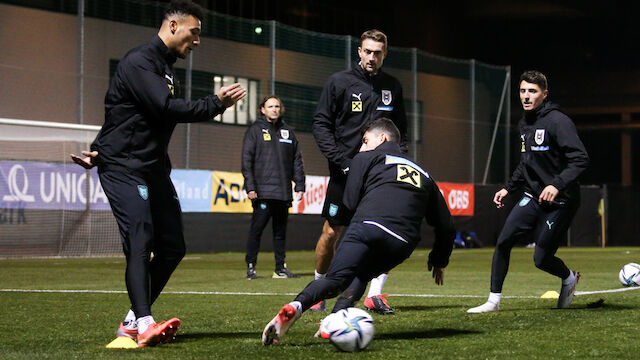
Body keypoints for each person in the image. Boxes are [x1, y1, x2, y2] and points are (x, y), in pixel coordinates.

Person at [70, 0, 246, 347]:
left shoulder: (165, 67)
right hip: (124, 167)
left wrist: (97, 144)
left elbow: (122, 114)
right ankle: (145, 321)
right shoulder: (140, 61)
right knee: (141, 237)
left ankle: (132, 319)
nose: (197, 41)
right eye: (194, 33)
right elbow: (164, 108)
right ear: (173, 27)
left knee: (173, 247)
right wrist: (216, 103)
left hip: (151, 168)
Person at [262, 118, 455, 345]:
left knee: (335, 279)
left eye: (365, 140)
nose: (361, 147)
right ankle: (333, 320)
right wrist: (439, 259)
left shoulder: (365, 157)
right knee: (362, 275)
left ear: (382, 138)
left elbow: (350, 201)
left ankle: (296, 306)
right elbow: (447, 226)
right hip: (402, 243)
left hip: (368, 226)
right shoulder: (425, 174)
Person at [467, 70, 589, 313]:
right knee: (503, 242)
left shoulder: (558, 121)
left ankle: (568, 278)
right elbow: (526, 163)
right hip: (533, 196)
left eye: (532, 91)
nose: (526, 96)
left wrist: (556, 184)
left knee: (541, 259)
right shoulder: (523, 124)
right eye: (522, 91)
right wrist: (508, 188)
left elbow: (580, 159)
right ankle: (493, 301)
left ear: (544, 94)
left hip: (561, 201)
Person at [311, 29, 408, 313]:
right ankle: (318, 289)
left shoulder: (393, 86)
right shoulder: (339, 82)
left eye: (378, 53)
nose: (372, 57)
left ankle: (374, 294)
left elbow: (401, 130)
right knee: (331, 232)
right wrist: (341, 160)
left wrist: (400, 159)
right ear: (359, 51)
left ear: (384, 55)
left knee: (383, 233)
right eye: (367, 51)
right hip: (345, 172)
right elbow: (320, 124)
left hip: (381, 175)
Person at [241, 95, 305, 280]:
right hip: (262, 192)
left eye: (277, 106)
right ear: (263, 109)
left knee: (280, 233)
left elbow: (297, 161)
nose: (274, 109)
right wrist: (250, 187)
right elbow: (247, 160)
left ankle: (280, 268)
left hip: (283, 192)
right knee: (257, 230)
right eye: (270, 106)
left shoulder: (288, 132)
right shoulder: (254, 130)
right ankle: (251, 267)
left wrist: (300, 185)